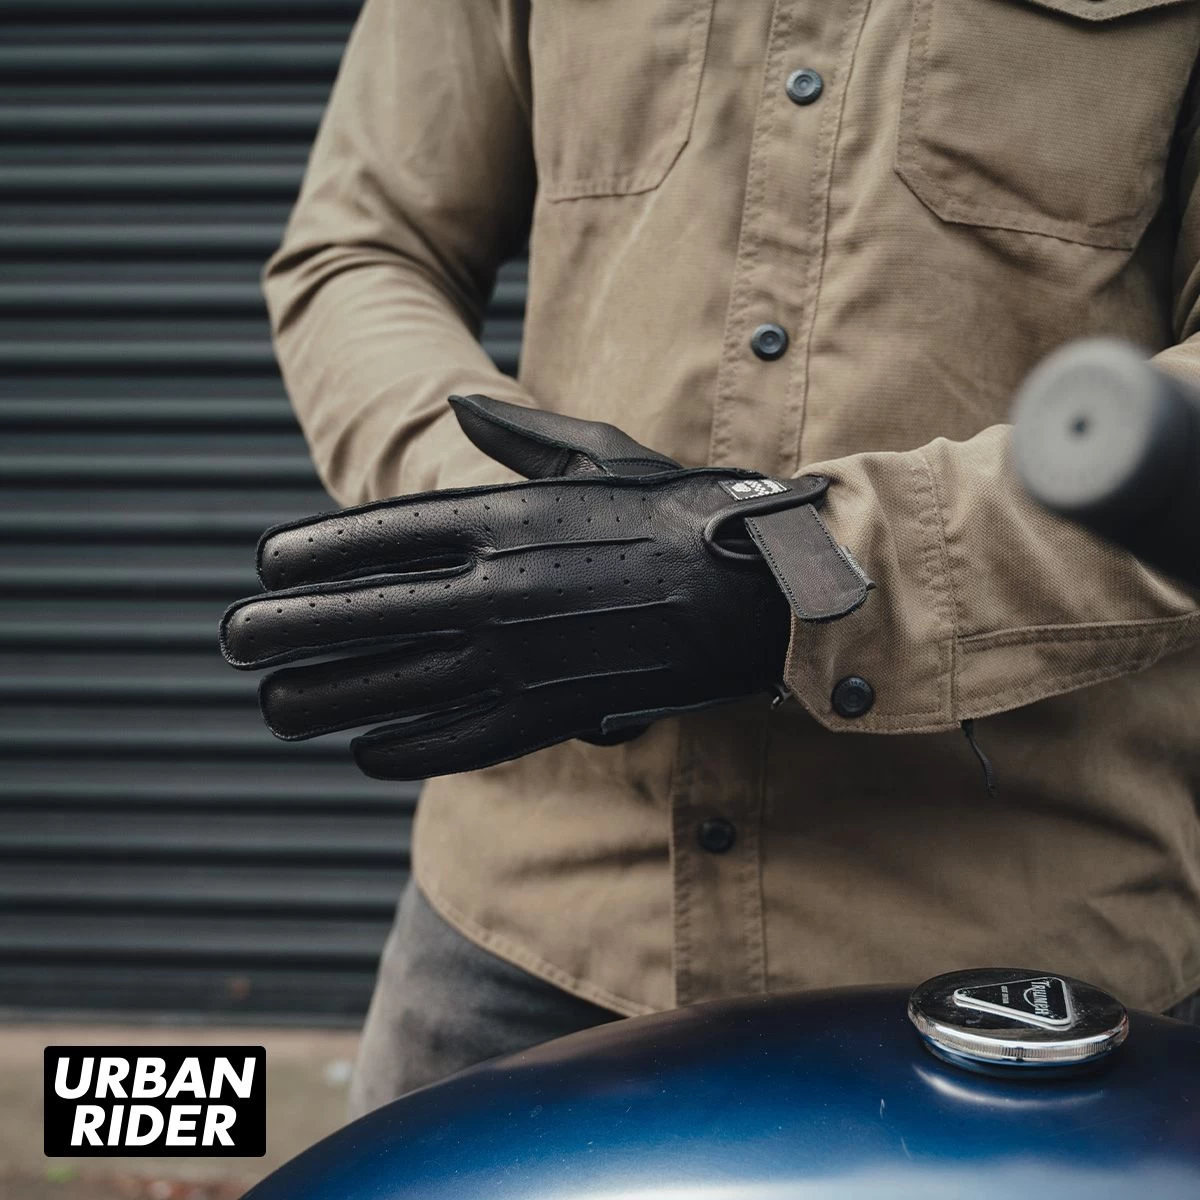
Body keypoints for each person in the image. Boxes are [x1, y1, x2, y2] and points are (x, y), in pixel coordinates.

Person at [227, 0, 1200, 1116]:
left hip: (1020, 965)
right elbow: (362, 246)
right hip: (528, 923)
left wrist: (802, 568)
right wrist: (520, 527)